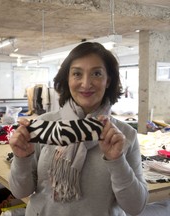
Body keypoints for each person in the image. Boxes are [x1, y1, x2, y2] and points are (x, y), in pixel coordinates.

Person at [8, 42, 148, 216]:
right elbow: (20, 192)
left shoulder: (123, 135)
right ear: (67, 78)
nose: (86, 83)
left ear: (108, 80)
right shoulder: (44, 126)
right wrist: (21, 159)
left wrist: (117, 161)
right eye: (77, 74)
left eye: (96, 73)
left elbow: (136, 207)